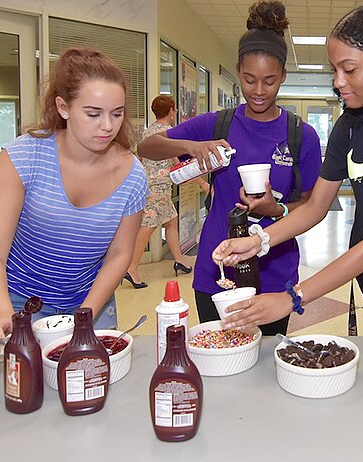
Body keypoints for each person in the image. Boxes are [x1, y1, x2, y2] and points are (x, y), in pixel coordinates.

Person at [213, 5, 363, 336]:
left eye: (349, 69)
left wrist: (292, 298)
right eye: (334, 70)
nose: (338, 82)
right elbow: (316, 205)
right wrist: (260, 240)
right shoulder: (350, 123)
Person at [137, 0, 322, 335]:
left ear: (283, 76)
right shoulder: (218, 123)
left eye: (269, 81)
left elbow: (312, 204)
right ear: (238, 72)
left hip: (273, 274)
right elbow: (146, 147)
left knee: (264, 366)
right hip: (215, 269)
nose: (259, 91)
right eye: (250, 80)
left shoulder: (301, 136)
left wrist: (275, 208)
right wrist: (191, 146)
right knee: (219, 356)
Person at [0, 48, 149, 362]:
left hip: (91, 299)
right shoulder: (23, 157)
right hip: (19, 299)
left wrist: (85, 316)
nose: (108, 126)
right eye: (93, 114)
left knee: (91, 382)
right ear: (63, 107)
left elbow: (120, 254)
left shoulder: (133, 175)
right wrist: (2, 313)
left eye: (117, 113)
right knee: (24, 387)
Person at [125, 95, 209, 289]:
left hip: (149, 184)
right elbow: (178, 164)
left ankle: (178, 259)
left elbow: (139, 157)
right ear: (171, 111)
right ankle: (131, 267)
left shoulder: (148, 131)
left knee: (171, 221)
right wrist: (201, 183)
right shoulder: (167, 133)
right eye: (175, 109)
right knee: (149, 226)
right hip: (158, 187)